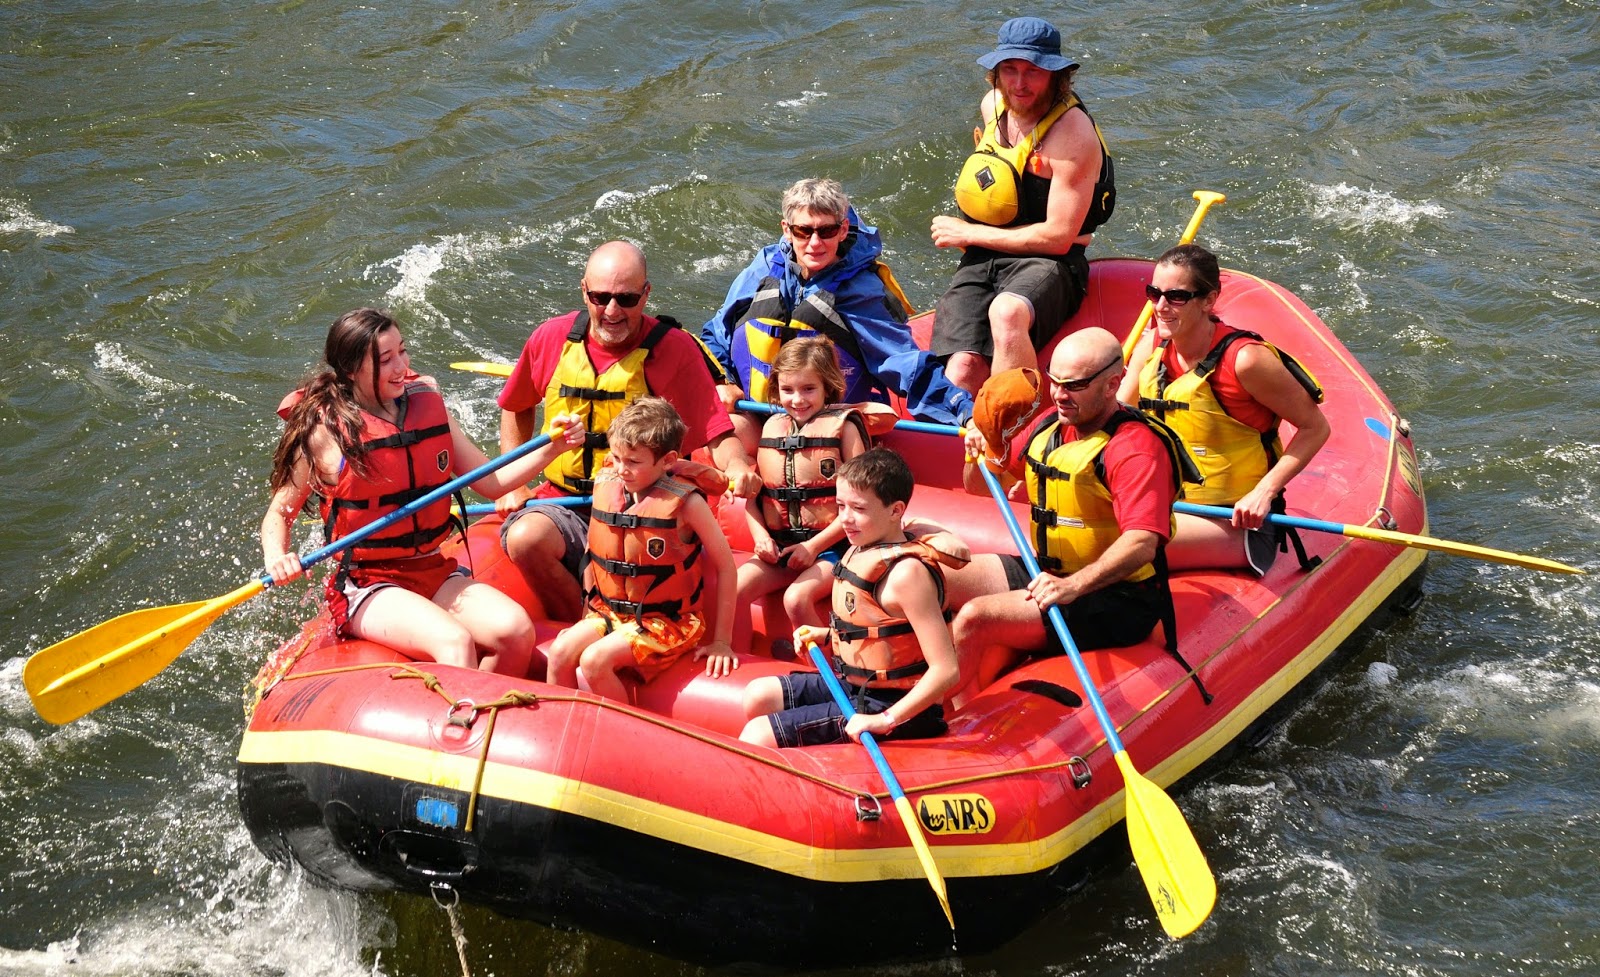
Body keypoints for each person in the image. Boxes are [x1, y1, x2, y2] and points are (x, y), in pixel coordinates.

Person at [262, 308, 588, 677]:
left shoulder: (428, 406)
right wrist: (278, 556)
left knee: (514, 631)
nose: (402, 366)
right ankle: (461, 727)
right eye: (386, 360)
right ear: (352, 369)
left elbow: (491, 482)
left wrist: (554, 448)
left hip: (432, 567)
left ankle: (483, 713)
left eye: (403, 351)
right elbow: (280, 512)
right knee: (455, 643)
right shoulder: (324, 433)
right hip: (368, 583)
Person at [496, 241, 760, 622]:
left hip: (643, 502)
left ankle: (631, 627)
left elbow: (717, 432)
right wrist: (514, 482)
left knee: (633, 552)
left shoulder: (675, 350)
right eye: (601, 297)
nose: (612, 311)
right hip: (565, 500)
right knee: (524, 539)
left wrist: (737, 467)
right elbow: (516, 406)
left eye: (627, 298)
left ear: (646, 293)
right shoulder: (550, 338)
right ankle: (586, 626)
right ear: (584, 290)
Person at [950, 327, 1202, 696]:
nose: (1058, 395)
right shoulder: (1049, 426)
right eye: (1054, 382)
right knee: (930, 574)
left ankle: (923, 716)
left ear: (1112, 384)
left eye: (1074, 385)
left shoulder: (1135, 448)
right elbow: (979, 487)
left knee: (975, 617)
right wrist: (984, 445)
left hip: (1117, 599)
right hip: (1048, 573)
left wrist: (1071, 587)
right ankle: (935, 696)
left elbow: (1142, 544)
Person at [703, 177, 973, 454]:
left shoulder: (860, 292)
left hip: (828, 422)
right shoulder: (763, 268)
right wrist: (722, 381)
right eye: (803, 231)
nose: (815, 243)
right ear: (787, 230)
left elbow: (907, 365)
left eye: (827, 231)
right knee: (726, 432)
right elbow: (716, 333)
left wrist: (966, 413)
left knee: (808, 456)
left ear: (843, 230)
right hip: (758, 411)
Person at [930, 16, 1117, 396]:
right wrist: (978, 232)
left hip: (1052, 263)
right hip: (986, 254)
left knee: (1007, 312)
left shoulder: (1072, 134)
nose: (1019, 84)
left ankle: (1016, 426)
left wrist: (968, 232)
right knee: (962, 368)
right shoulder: (993, 106)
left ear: (1057, 76)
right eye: (1009, 70)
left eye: (1033, 72)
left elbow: (1059, 238)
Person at [1119, 244, 1329, 573]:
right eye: (1153, 293)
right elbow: (1116, 421)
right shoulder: (1151, 347)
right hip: (1165, 507)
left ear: (1208, 300)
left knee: (1118, 547)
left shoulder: (1246, 360)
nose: (1160, 307)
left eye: (1175, 297)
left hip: (1235, 522)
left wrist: (1263, 492)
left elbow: (1316, 427)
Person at [739, 448, 965, 748]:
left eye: (858, 509)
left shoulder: (907, 575)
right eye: (841, 505)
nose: (845, 519)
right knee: (757, 695)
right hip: (857, 686)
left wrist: (884, 720)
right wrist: (826, 634)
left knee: (758, 736)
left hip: (898, 706)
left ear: (896, 511)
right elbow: (876, 628)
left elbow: (946, 670)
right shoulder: (861, 546)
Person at [545, 397, 739, 701]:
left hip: (669, 622)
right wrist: (586, 615)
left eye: (634, 462)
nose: (622, 469)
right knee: (558, 653)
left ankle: (615, 739)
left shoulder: (689, 504)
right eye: (617, 458)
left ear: (668, 460)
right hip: (611, 611)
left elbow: (726, 566)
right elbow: (593, 557)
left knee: (594, 661)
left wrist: (722, 642)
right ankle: (563, 732)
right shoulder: (608, 483)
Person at [737, 338, 898, 655]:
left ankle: (829, 675)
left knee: (796, 599)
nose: (797, 399)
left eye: (808, 389)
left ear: (829, 386)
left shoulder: (845, 428)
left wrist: (813, 547)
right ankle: (732, 654)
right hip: (784, 548)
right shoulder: (771, 428)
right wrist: (760, 537)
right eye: (787, 390)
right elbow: (754, 500)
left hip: (836, 548)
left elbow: (859, 505)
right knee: (736, 585)